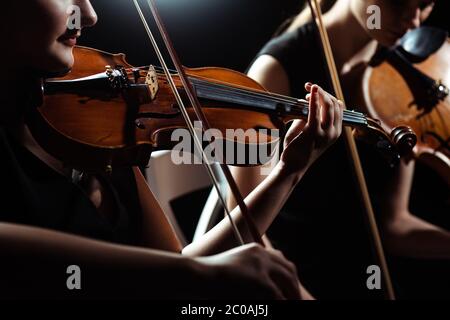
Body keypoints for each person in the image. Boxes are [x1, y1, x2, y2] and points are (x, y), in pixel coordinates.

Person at [0, 0, 344, 299]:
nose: (88, 15)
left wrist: (289, 171)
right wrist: (191, 275)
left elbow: (182, 266)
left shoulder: (95, 118)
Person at [231, 0, 450, 299]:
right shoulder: (274, 72)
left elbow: (392, 224)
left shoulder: (396, 73)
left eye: (424, 4)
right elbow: (242, 231)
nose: (412, 21)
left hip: (368, 275)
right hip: (293, 276)